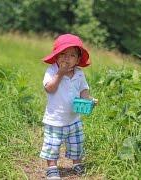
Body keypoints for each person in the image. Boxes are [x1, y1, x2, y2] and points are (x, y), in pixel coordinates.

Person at [39, 34, 98, 180]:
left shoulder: (79, 73)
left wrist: (88, 101)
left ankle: (76, 163)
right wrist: (60, 73)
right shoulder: (52, 71)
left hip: (74, 118)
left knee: (76, 143)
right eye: (63, 54)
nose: (66, 58)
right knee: (52, 144)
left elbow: (83, 90)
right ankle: (52, 167)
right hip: (55, 119)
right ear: (56, 56)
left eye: (72, 55)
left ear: (78, 60)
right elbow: (50, 89)